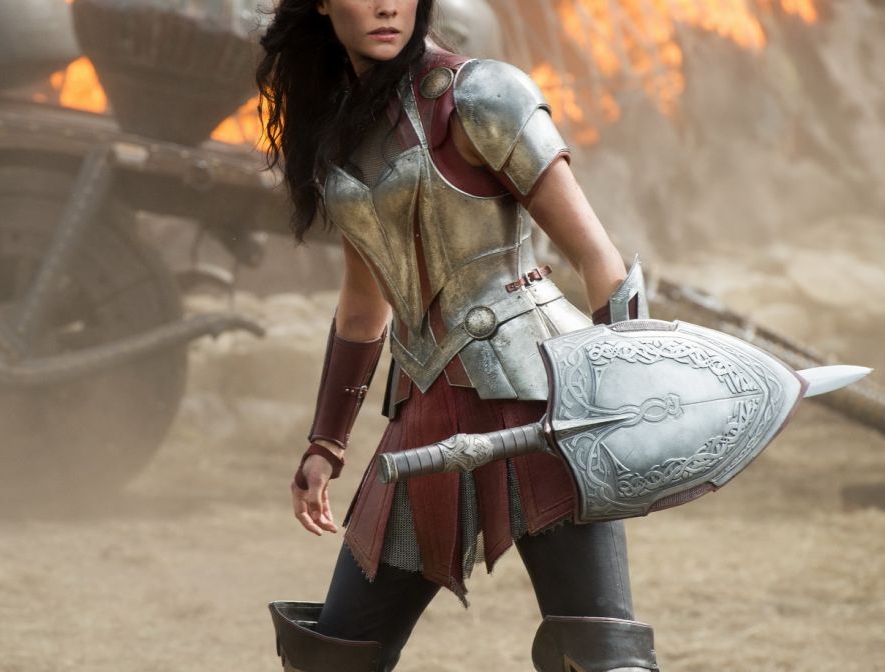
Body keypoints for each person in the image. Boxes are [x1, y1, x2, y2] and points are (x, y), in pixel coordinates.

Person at [256, 0, 658, 669]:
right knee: (337, 654)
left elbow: (600, 261)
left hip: (544, 406)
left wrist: (624, 401)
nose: (387, 5)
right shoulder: (337, 130)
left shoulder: (483, 97)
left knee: (600, 654)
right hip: (426, 414)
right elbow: (363, 307)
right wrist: (326, 441)